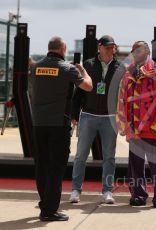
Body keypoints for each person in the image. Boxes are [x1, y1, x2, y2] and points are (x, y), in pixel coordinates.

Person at [30, 36, 92, 221]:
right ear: (63, 49)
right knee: (56, 168)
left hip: (39, 123)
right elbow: (88, 86)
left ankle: (44, 205)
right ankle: (49, 211)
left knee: (42, 166)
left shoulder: (35, 67)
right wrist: (83, 70)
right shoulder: (68, 68)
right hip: (58, 124)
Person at [116, 41, 156, 208]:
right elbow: (122, 100)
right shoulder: (128, 74)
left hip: (154, 129)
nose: (135, 53)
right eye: (133, 50)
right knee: (135, 167)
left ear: (147, 51)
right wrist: (124, 125)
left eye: (138, 50)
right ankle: (138, 196)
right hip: (135, 131)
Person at [69, 35, 124, 204]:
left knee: (109, 157)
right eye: (107, 46)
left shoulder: (121, 67)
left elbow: (124, 95)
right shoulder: (88, 65)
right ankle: (76, 190)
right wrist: (74, 114)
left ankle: (107, 191)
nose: (110, 49)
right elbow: (78, 92)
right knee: (80, 155)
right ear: (99, 47)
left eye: (113, 47)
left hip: (110, 118)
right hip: (88, 116)